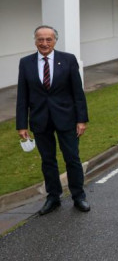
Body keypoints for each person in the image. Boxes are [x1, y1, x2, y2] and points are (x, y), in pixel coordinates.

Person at [16, 25, 90, 215]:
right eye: (40, 39)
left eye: (48, 39)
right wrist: (22, 124)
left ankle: (78, 196)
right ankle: (53, 197)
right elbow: (22, 96)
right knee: (48, 160)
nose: (44, 43)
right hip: (40, 120)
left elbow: (78, 93)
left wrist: (81, 120)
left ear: (55, 41)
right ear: (35, 41)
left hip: (67, 118)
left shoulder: (68, 60)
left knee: (72, 158)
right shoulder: (26, 63)